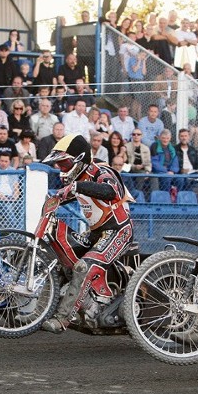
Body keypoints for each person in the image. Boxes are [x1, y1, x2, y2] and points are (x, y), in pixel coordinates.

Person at [40, 134, 134, 333]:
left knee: (84, 267)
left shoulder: (101, 170)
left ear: (79, 159)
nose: (60, 168)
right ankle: (40, 312)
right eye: (58, 165)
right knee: (64, 262)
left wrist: (77, 187)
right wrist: (54, 200)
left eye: (64, 164)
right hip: (97, 234)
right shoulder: (78, 179)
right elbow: (63, 196)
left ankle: (62, 319)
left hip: (118, 230)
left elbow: (111, 191)